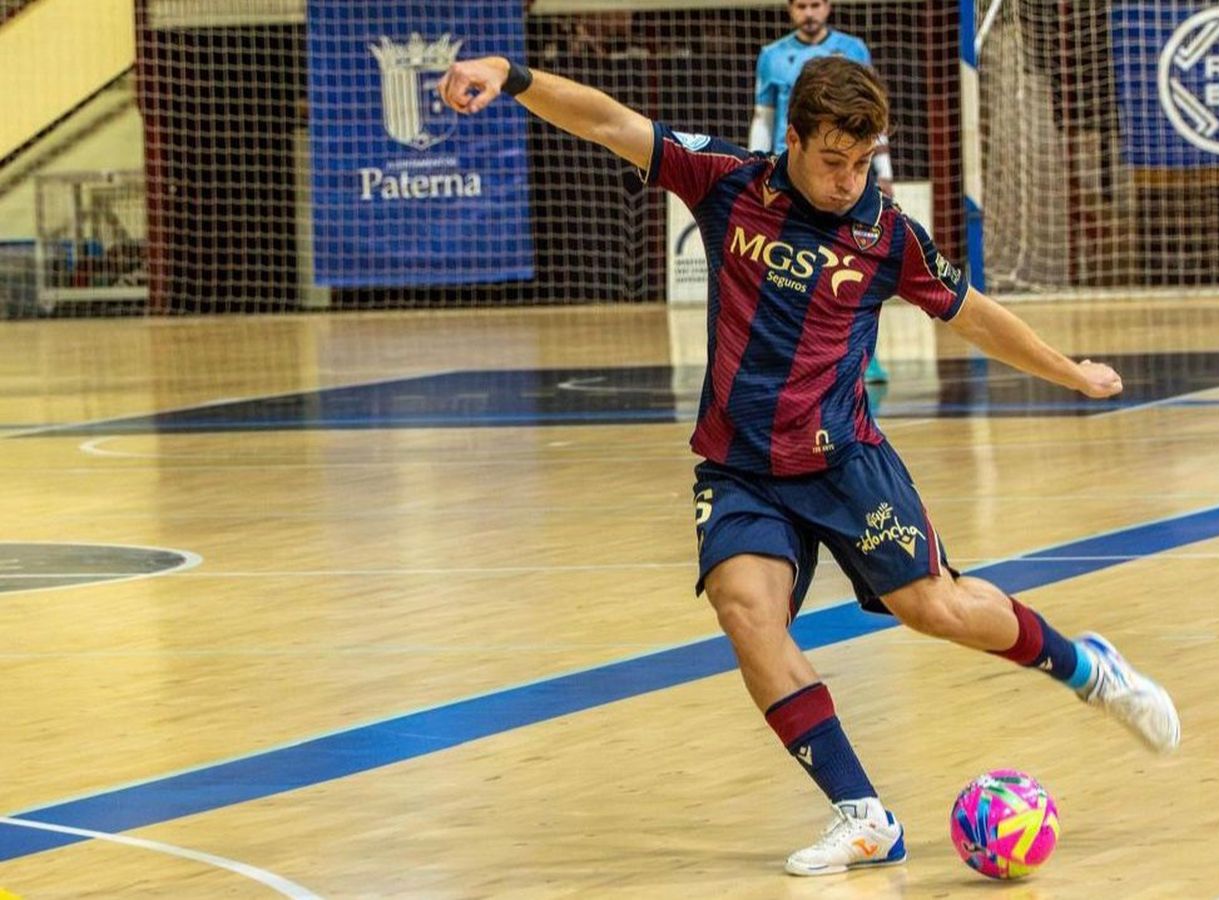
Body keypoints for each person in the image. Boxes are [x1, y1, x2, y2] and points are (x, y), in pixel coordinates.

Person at [439, 54, 1180, 878]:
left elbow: (972, 315)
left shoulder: (887, 234)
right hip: (740, 468)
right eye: (833, 160)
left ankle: (1088, 670)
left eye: (863, 162)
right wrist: (511, 75)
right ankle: (864, 815)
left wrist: (1070, 370)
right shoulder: (726, 181)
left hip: (844, 462)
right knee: (746, 610)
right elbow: (610, 122)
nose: (847, 179)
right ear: (791, 139)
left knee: (935, 609)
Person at [750, 0, 893, 384]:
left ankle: (865, 357)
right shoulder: (772, 56)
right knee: (792, 272)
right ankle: (791, 358)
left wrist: (883, 169)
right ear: (790, 9)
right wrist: (756, 163)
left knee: (857, 269)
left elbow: (873, 118)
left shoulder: (853, 50)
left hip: (843, 171)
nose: (809, 13)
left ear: (828, 7)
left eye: (816, 4)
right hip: (791, 174)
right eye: (801, 6)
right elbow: (763, 119)